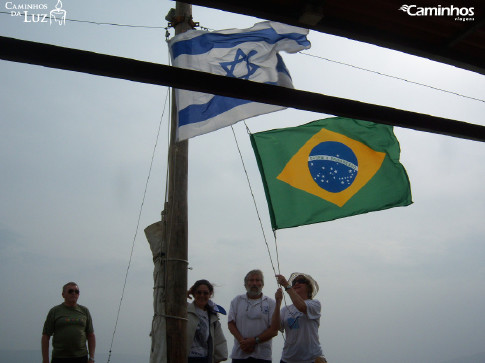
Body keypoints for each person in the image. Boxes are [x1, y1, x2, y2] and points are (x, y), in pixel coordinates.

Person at [274, 273, 327, 363]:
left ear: (309, 287)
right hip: (287, 360)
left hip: (311, 359)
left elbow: (302, 307)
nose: (296, 284)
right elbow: (275, 327)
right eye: (294, 282)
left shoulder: (314, 304)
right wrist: (278, 302)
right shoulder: (285, 310)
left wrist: (286, 285)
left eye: (301, 281)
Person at [228, 269, 277, 363]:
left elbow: (274, 330)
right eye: (251, 280)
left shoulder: (271, 303)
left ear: (262, 284)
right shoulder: (237, 301)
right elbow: (231, 324)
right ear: (245, 284)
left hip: (262, 356)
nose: (254, 283)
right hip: (239, 354)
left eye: (258, 280)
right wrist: (243, 342)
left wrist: (254, 341)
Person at [42, 282, 96, 363]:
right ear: (63, 294)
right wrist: (45, 359)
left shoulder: (84, 311)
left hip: (81, 357)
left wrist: (91, 358)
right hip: (60, 358)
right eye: (70, 291)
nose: (74, 293)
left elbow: (91, 335)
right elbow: (46, 336)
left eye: (76, 291)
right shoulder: (55, 311)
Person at [187, 279, 228, 363]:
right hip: (186, 358)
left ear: (210, 294)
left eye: (205, 293)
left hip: (204, 359)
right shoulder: (185, 311)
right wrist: (185, 294)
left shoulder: (213, 317)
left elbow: (219, 342)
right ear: (194, 293)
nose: (202, 295)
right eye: (199, 292)